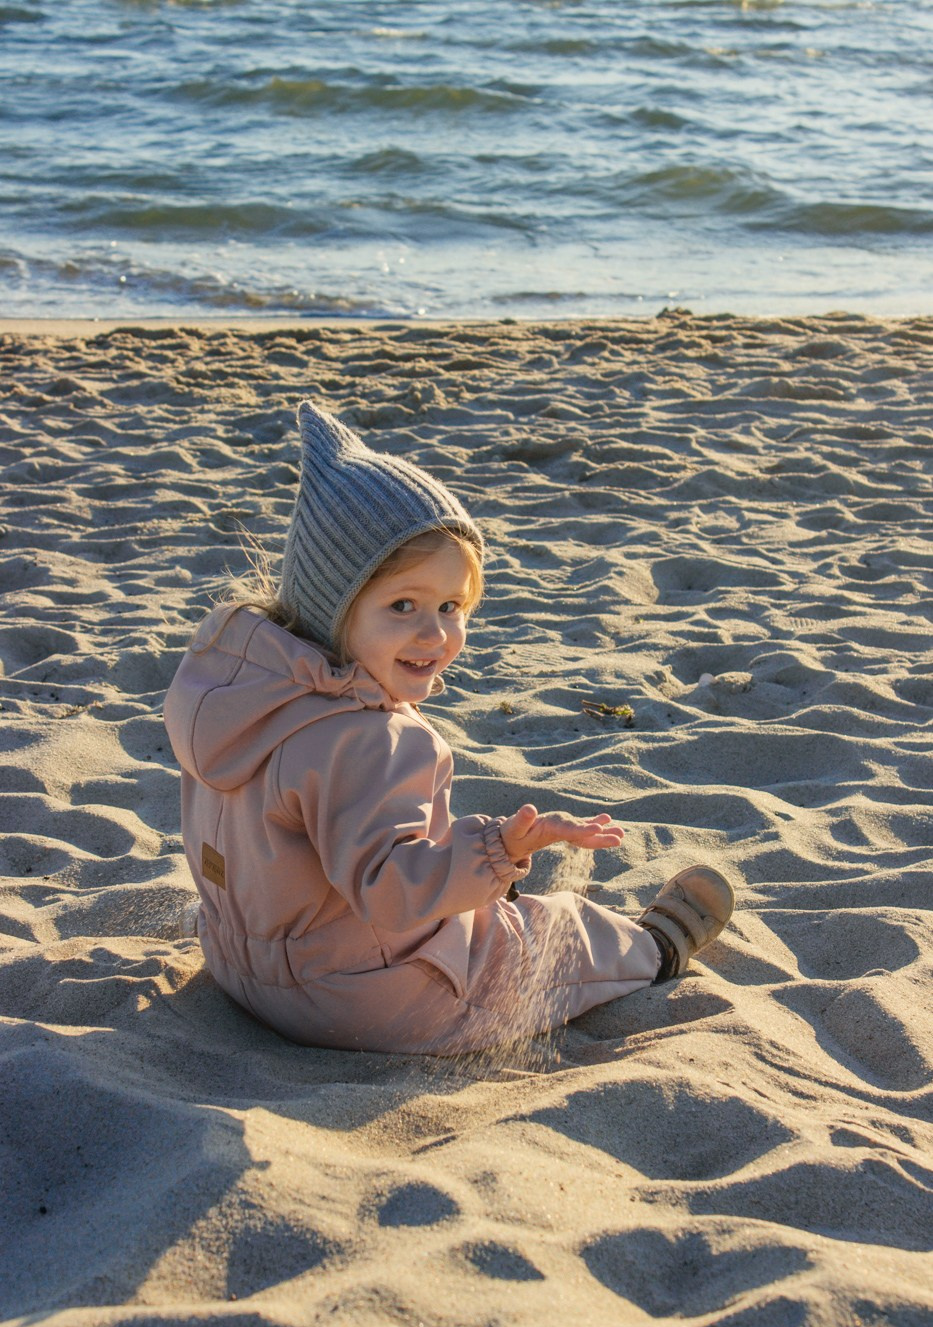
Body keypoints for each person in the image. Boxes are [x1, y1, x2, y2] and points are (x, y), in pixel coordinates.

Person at [163, 402, 734, 1054]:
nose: (434, 634)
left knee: (466, 896)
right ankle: (657, 948)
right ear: (334, 605)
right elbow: (391, 890)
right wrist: (500, 850)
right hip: (358, 999)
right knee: (547, 931)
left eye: (451, 606)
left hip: (241, 967)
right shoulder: (374, 741)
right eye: (401, 605)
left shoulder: (231, 690)